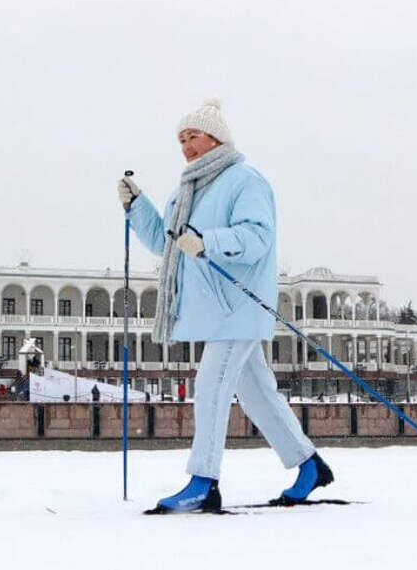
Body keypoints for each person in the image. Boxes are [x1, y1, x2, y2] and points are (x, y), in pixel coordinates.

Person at [118, 98, 332, 513]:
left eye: (193, 136)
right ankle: (310, 465)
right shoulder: (187, 191)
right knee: (258, 395)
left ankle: (203, 482)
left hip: (238, 305)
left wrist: (207, 241)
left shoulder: (245, 180)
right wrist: (136, 206)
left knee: (211, 385)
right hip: (216, 310)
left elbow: (257, 237)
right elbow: (165, 242)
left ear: (216, 138)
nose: (186, 146)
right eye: (181, 140)